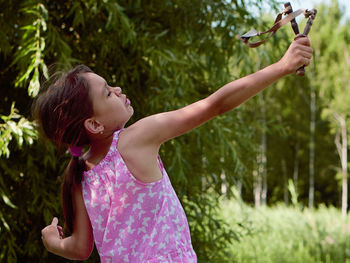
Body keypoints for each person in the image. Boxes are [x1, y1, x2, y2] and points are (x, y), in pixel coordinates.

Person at [37, 36, 313, 262]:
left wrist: (53, 242)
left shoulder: (79, 175)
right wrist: (282, 66)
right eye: (108, 92)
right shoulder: (135, 139)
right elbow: (214, 105)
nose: (118, 89)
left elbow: (80, 248)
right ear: (94, 124)